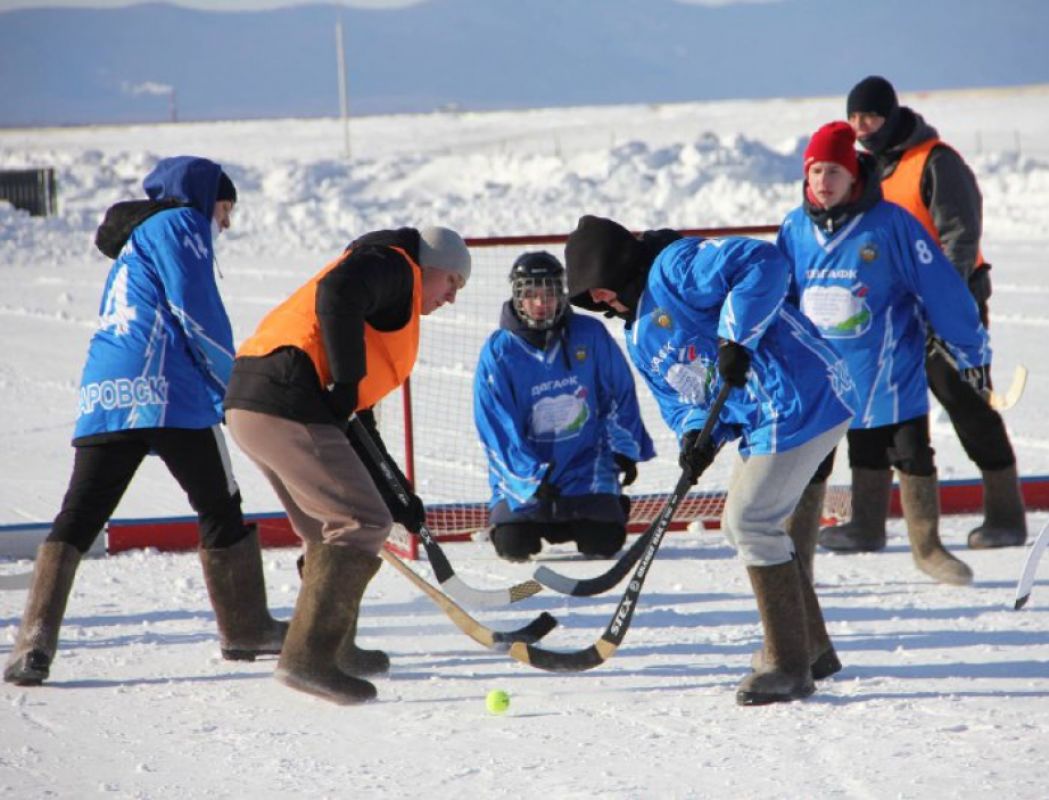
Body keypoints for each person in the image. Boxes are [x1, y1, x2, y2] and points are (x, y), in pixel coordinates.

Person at [4, 156, 287, 687]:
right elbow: (196, 312)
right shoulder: (181, 223)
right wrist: (237, 384)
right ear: (208, 196)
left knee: (81, 512)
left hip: (105, 390)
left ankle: (32, 645)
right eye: (226, 209)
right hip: (165, 391)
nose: (224, 222)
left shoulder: (138, 240)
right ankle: (246, 628)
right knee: (219, 503)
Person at [564, 215, 855, 706]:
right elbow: (682, 396)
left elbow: (761, 261)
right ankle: (813, 648)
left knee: (752, 522)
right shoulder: (639, 336)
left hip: (802, 396)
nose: (599, 302)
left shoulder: (674, 267)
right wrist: (697, 433)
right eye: (591, 297)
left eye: (598, 289)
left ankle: (789, 667)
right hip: (766, 419)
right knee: (738, 526)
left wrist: (735, 338)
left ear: (614, 271)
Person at [223, 225, 471, 705]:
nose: (452, 298)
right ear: (433, 268)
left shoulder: (387, 289)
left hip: (254, 402)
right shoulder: (396, 265)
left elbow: (359, 427)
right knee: (361, 521)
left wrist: (399, 495)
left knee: (329, 525)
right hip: (286, 400)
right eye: (452, 284)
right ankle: (308, 660)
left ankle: (334, 649)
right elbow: (339, 292)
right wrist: (345, 380)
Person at [779, 121, 991, 586]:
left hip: (888, 368)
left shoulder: (891, 224)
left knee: (909, 451)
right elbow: (782, 297)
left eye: (833, 171)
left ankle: (928, 547)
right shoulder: (794, 228)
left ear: (854, 174)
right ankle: (799, 564)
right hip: (822, 377)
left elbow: (941, 289)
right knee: (812, 463)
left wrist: (971, 348)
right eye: (815, 171)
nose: (822, 181)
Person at [846, 75, 1027, 549]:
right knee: (885, 409)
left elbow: (960, 236)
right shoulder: (866, 169)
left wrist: (940, 301)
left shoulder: (936, 161)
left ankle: (1006, 516)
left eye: (871, 116)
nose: (862, 126)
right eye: (855, 118)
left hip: (950, 305)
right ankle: (868, 524)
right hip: (891, 312)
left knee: (963, 401)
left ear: (891, 115)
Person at [473, 251, 655, 562]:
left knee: (604, 541)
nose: (542, 303)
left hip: (585, 467)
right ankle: (512, 517)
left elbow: (617, 391)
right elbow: (497, 427)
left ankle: (609, 504)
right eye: (532, 295)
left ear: (562, 294)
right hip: (527, 478)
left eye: (550, 294)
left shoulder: (589, 334)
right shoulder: (499, 351)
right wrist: (530, 478)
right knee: (514, 545)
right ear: (518, 297)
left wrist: (624, 449)